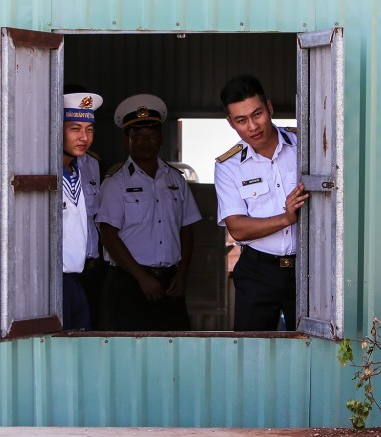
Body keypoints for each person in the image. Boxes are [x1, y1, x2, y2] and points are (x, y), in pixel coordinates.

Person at [96, 94, 202, 331]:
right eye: (138, 136)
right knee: (127, 356)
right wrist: (142, 278)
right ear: (126, 140)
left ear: (161, 138)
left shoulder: (176, 180)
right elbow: (108, 236)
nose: (146, 141)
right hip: (128, 283)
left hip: (169, 283)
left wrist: (182, 275)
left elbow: (187, 229)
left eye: (152, 134)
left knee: (174, 353)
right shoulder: (115, 183)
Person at [213, 74, 308, 331]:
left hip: (308, 269)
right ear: (231, 123)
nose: (252, 126)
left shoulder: (305, 148)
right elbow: (238, 228)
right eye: (241, 120)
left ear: (270, 107)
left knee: (314, 348)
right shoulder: (228, 166)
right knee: (251, 354)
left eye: (257, 114)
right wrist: (286, 217)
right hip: (258, 271)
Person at [64, 84, 107, 329]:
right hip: (54, 283)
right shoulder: (42, 169)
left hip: (85, 276)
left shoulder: (88, 166)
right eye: (75, 129)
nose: (84, 138)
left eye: (89, 129)